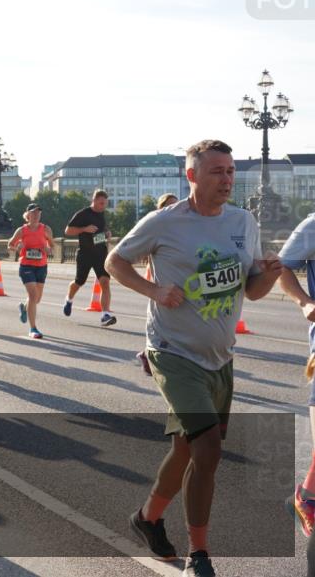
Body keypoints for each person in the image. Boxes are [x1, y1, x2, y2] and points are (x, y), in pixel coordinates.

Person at [106, 139, 282, 576]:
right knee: (208, 448)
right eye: (216, 171)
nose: (226, 180)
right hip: (172, 351)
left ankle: (146, 518)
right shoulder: (164, 222)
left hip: (219, 357)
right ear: (192, 176)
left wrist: (271, 276)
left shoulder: (243, 221)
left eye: (230, 171)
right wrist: (154, 291)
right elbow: (114, 261)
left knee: (186, 446)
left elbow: (252, 290)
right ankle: (199, 554)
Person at [278, 212, 315, 541]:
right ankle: (306, 499)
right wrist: (304, 301)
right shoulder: (313, 225)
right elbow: (282, 267)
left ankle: (306, 496)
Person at [135, 193, 181, 375]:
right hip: (159, 278)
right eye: (169, 206)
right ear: (161, 208)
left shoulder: (181, 227)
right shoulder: (156, 226)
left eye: (176, 206)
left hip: (177, 278)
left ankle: (150, 354)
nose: (173, 209)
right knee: (159, 317)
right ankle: (149, 353)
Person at [63, 190, 116, 326]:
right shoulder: (83, 214)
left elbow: (101, 232)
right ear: (94, 200)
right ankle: (69, 299)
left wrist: (107, 233)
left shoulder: (102, 214)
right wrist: (84, 229)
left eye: (105, 204)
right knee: (79, 282)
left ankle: (105, 315)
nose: (103, 206)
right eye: (101, 203)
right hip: (85, 254)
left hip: (100, 253)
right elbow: (68, 231)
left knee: (105, 281)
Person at [8, 203, 54, 339]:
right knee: (33, 296)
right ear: (27, 215)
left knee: (37, 298)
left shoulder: (46, 229)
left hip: (42, 266)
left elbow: (52, 245)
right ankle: (33, 328)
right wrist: (17, 247)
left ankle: (24, 307)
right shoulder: (21, 230)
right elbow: (9, 244)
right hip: (26, 266)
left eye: (38, 213)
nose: (36, 216)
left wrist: (48, 249)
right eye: (33, 213)